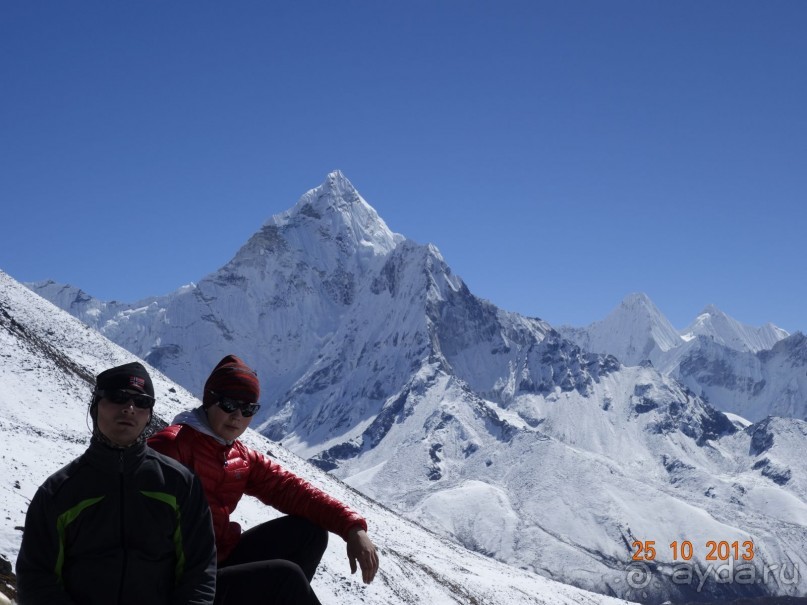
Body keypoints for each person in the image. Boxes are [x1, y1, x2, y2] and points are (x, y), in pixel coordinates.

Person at [149, 354, 379, 605]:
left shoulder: (237, 454)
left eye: (248, 408)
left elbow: (290, 489)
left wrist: (352, 527)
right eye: (229, 404)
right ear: (210, 399)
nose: (238, 416)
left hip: (218, 561)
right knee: (285, 577)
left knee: (309, 534)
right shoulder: (171, 445)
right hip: (183, 582)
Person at [16, 362, 217, 605]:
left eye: (141, 402)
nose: (129, 409)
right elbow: (36, 579)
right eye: (117, 397)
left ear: (149, 415)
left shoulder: (180, 485)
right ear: (95, 406)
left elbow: (199, 572)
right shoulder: (58, 493)